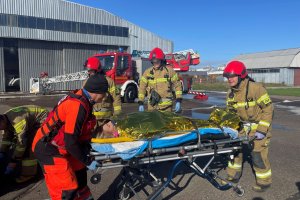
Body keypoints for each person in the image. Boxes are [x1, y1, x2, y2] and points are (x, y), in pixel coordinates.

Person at [32, 73, 109, 200]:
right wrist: (88, 160)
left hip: (61, 146)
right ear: (97, 92)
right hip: (48, 149)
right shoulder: (77, 106)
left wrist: (86, 155)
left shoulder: (83, 99)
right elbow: (70, 142)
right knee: (66, 190)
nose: (105, 97)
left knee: (80, 177)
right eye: (104, 93)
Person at [223, 60, 274, 192]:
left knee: (257, 155)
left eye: (232, 76)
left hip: (258, 129)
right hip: (240, 129)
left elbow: (268, 109)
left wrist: (262, 130)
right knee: (234, 152)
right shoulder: (230, 94)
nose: (230, 79)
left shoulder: (256, 88)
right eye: (228, 76)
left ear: (241, 76)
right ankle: (232, 176)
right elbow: (230, 114)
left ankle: (264, 182)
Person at [0, 105, 49, 183]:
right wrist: (2, 151)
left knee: (29, 145)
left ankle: (29, 174)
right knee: (15, 139)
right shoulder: (5, 118)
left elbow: (22, 143)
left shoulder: (17, 120)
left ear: (2, 121)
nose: (0, 129)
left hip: (43, 119)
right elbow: (7, 136)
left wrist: (13, 161)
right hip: (32, 120)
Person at [84, 57, 122, 136]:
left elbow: (116, 99)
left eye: (90, 70)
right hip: (92, 121)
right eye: (88, 70)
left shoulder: (109, 82)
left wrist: (116, 118)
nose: (88, 73)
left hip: (106, 121)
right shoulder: (86, 82)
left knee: (108, 141)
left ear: (96, 69)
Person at [138, 47, 182, 112]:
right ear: (151, 61)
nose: (156, 64)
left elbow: (178, 85)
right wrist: (140, 102)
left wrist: (178, 100)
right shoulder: (147, 73)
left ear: (161, 60)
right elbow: (142, 88)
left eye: (157, 61)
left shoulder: (169, 71)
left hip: (167, 108)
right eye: (154, 62)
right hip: (152, 107)